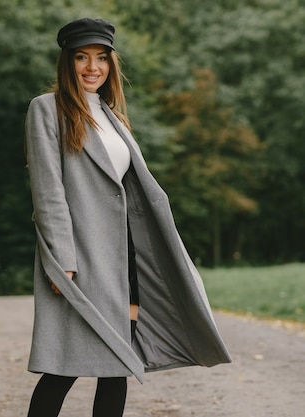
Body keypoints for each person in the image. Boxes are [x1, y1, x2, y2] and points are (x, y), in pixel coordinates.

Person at [24, 17, 232, 417]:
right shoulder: (46, 110)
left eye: (101, 58)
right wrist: (62, 259)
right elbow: (48, 192)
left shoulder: (112, 116)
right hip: (81, 256)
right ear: (66, 62)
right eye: (81, 57)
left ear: (111, 64)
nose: (92, 67)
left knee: (117, 364)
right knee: (64, 367)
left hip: (125, 257)